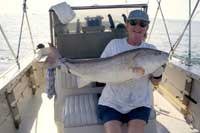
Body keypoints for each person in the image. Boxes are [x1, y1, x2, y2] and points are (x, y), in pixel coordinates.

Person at [96, 10, 163, 133]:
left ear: (146, 28)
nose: (137, 27)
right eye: (133, 22)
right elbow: (100, 68)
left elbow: (155, 82)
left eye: (142, 24)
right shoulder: (114, 45)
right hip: (111, 102)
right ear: (127, 25)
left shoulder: (151, 50)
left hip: (139, 103)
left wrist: (158, 72)